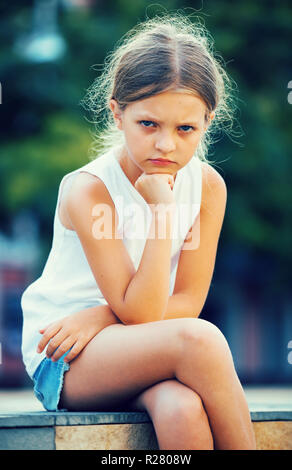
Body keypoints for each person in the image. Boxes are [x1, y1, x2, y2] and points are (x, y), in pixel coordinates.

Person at [21, 13, 256, 450]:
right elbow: (150, 316)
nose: (165, 144)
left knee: (180, 408)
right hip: (66, 356)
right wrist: (163, 214)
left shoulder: (207, 187)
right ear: (117, 113)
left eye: (185, 128)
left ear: (208, 121)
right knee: (201, 339)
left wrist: (102, 315)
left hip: (138, 337)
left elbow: (187, 301)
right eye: (148, 124)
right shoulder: (90, 190)